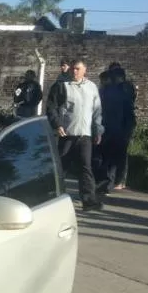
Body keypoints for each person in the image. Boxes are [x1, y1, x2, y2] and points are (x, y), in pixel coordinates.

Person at [46, 60, 104, 211]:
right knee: (61, 167)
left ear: (85, 70)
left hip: (85, 134)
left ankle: (89, 200)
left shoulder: (91, 87)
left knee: (86, 167)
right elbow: (51, 107)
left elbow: (97, 111)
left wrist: (98, 130)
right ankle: (50, 197)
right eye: (73, 69)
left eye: (78, 69)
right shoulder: (61, 86)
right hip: (67, 133)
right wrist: (57, 124)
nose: (74, 71)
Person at [96, 67, 136, 192]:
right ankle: (110, 183)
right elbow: (129, 113)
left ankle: (105, 183)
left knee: (106, 157)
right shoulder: (124, 91)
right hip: (118, 129)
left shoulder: (105, 92)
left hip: (107, 128)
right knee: (114, 158)